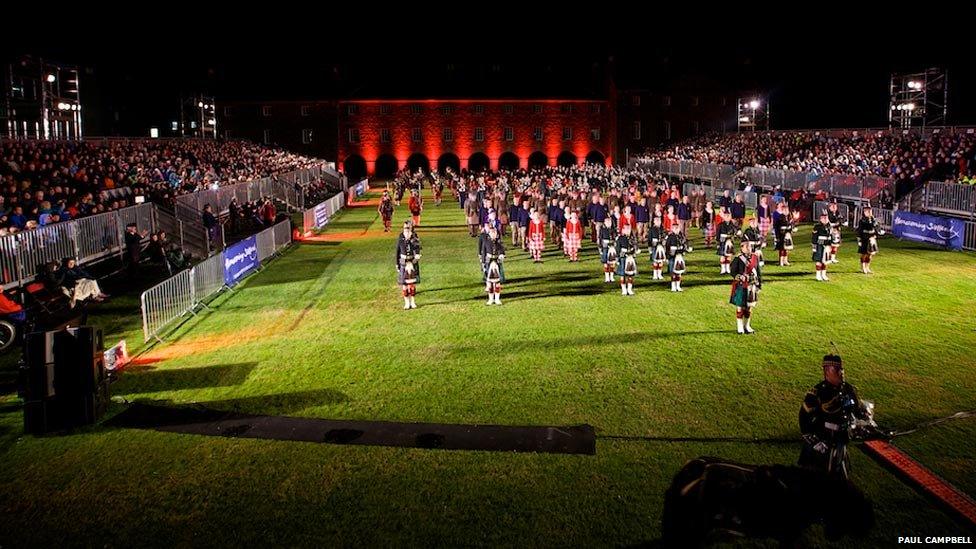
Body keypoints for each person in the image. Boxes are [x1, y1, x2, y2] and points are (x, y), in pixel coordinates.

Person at [798, 354, 867, 477]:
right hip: (823, 442)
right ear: (828, 371)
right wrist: (814, 442)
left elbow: (858, 409)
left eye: (842, 369)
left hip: (841, 440)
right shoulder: (817, 393)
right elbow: (804, 417)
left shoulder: (848, 388)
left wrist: (864, 415)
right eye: (838, 369)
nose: (842, 372)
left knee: (839, 480)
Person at [729, 241, 762, 334]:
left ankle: (747, 326)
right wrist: (740, 277)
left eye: (750, 246)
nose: (749, 248)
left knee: (749, 307)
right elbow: (733, 272)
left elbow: (758, 273)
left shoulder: (755, 257)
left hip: (752, 286)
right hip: (741, 286)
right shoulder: (738, 259)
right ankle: (740, 328)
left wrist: (759, 285)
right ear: (742, 248)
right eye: (746, 247)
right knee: (740, 307)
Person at [395, 221, 422, 310]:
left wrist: (417, 255)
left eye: (408, 228)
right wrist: (397, 264)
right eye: (405, 228)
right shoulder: (401, 236)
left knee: (412, 284)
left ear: (411, 228)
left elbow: (417, 247)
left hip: (412, 262)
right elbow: (397, 251)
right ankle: (406, 303)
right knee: (404, 284)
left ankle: (413, 302)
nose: (406, 229)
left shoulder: (414, 237)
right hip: (403, 262)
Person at [855, 205, 885, 274]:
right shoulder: (862, 220)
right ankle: (863, 267)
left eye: (869, 210)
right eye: (866, 210)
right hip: (864, 238)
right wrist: (859, 240)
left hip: (872, 238)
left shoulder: (873, 219)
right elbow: (859, 231)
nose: (868, 212)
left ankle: (867, 267)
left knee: (870, 254)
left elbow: (876, 227)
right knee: (864, 254)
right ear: (864, 212)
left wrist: (878, 231)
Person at [482, 226, 506, 305]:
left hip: (497, 262)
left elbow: (502, 251)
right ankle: (490, 299)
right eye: (492, 233)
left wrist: (501, 255)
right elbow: (483, 253)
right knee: (489, 282)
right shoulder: (486, 242)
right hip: (489, 262)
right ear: (489, 234)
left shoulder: (499, 243)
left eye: (494, 233)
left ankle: (497, 299)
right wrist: (483, 263)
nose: (493, 234)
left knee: (497, 282)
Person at [615, 224, 639, 295]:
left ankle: (629, 289)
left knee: (630, 274)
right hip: (623, 258)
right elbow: (617, 249)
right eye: (626, 229)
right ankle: (624, 289)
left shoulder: (632, 238)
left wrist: (634, 252)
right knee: (623, 275)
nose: (628, 230)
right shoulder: (620, 238)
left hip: (630, 258)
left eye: (629, 229)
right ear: (623, 230)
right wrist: (618, 259)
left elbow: (635, 247)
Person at [665, 224, 690, 292]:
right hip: (672, 257)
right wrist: (667, 257)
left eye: (677, 228)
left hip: (679, 256)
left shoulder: (681, 236)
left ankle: (678, 286)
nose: (677, 230)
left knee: (679, 272)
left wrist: (685, 250)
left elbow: (684, 244)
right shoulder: (670, 237)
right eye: (675, 228)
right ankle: (673, 286)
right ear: (672, 229)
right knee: (673, 272)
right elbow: (667, 247)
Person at [812, 212, 832, 281]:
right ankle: (818, 275)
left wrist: (830, 245)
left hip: (827, 245)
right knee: (819, 260)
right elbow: (814, 238)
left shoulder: (829, 226)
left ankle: (824, 274)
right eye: (823, 218)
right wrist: (814, 247)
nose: (825, 219)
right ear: (820, 219)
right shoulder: (817, 226)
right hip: (819, 245)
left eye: (826, 218)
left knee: (825, 261)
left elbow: (830, 237)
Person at [598, 217, 617, 283]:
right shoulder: (602, 229)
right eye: (607, 222)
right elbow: (600, 238)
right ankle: (607, 277)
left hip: (612, 248)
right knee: (606, 263)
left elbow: (616, 238)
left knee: (612, 262)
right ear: (605, 223)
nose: (609, 223)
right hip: (605, 247)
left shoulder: (613, 230)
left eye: (610, 222)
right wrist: (600, 247)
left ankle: (611, 276)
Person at [648, 216, 667, 281]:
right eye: (656, 221)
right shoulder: (651, 229)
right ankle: (655, 274)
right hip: (654, 247)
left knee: (661, 261)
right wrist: (649, 247)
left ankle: (659, 274)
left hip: (661, 247)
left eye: (659, 221)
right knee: (655, 261)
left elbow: (664, 237)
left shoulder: (662, 229)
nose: (658, 222)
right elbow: (649, 239)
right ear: (654, 221)